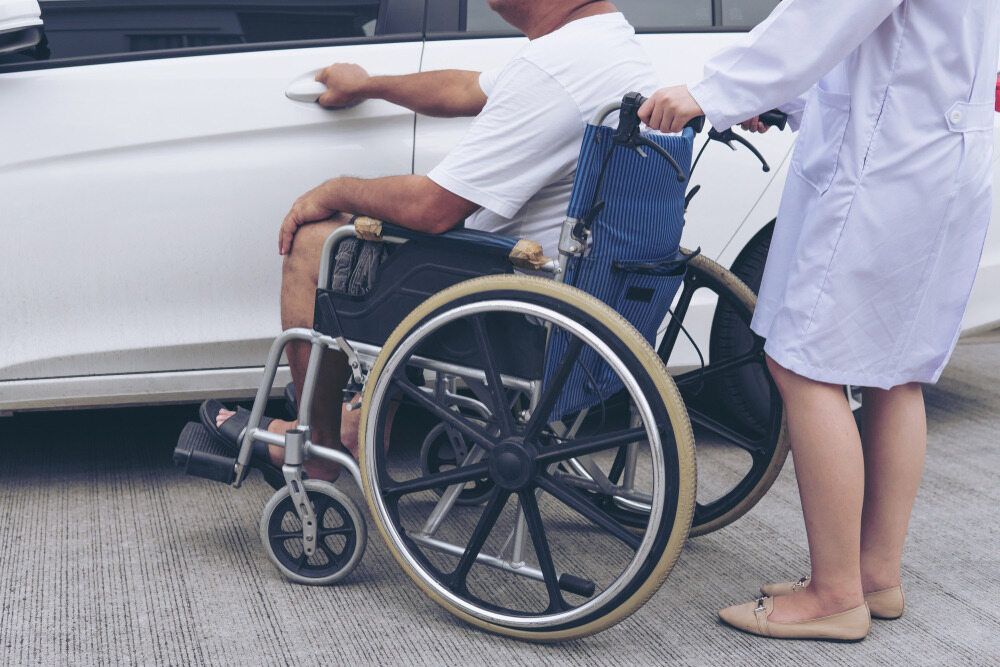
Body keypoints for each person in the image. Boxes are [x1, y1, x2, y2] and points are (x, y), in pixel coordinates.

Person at [639, 0, 999, 642]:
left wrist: (710, 92)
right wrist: (790, 98)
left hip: (885, 166)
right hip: (938, 156)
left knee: (802, 363)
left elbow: (823, 16)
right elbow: (897, 49)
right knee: (897, 371)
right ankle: (873, 576)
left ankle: (834, 595)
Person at [203, 0, 659, 482]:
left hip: (514, 312)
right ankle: (359, 422)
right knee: (406, 254)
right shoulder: (608, 45)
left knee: (319, 243)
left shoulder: (552, 72)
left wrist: (335, 190)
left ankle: (315, 447)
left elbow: (432, 209)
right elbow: (467, 88)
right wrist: (369, 85)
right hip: (587, 294)